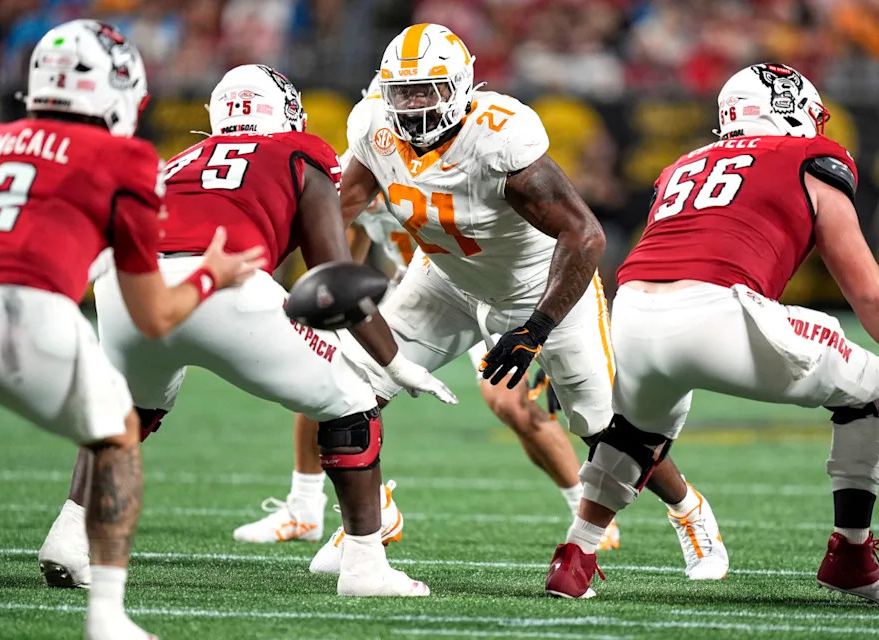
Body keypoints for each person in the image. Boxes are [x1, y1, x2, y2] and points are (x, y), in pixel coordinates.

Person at [302, 23, 727, 579]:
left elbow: (586, 237)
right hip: (447, 279)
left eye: (425, 90)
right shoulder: (374, 127)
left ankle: (689, 510)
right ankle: (369, 522)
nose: (411, 105)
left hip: (541, 285)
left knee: (604, 427)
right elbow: (341, 207)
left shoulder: (500, 136)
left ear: (459, 87)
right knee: (345, 389)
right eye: (402, 91)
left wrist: (537, 326)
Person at [38, 63, 456, 598]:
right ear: (282, 111)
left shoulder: (176, 161)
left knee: (128, 411)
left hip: (123, 286)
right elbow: (334, 281)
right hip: (224, 284)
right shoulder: (300, 152)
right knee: (352, 401)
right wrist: (397, 364)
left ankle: (68, 537)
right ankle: (364, 567)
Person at [0, 20, 265, 640]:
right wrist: (210, 275)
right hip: (29, 313)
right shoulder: (124, 157)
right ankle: (105, 618)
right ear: (114, 89)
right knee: (119, 439)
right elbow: (154, 314)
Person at [546, 62, 879, 602]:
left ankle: (576, 556)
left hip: (630, 312)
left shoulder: (684, 165)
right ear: (789, 107)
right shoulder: (809, 158)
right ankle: (853, 554)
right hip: (717, 311)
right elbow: (867, 294)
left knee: (635, 433)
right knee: (872, 391)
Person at [234, 148, 622, 564]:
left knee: (513, 405)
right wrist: (343, 303)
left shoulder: (459, 158)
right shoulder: (366, 164)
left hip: (480, 282)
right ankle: (307, 505)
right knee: (332, 377)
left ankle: (586, 508)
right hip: (421, 294)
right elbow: (350, 247)